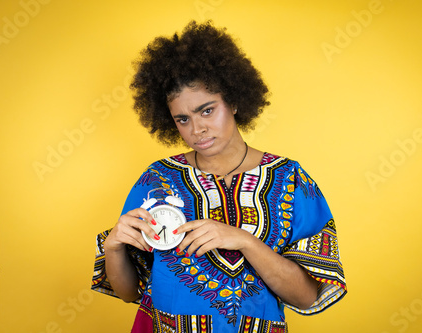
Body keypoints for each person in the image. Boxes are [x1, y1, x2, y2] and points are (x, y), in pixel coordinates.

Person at [91, 21, 347, 333]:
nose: (196, 130)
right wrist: (114, 247)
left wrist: (244, 241)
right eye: (182, 119)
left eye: (207, 111)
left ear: (235, 101)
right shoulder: (157, 180)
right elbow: (128, 291)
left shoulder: (290, 180)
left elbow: (307, 298)